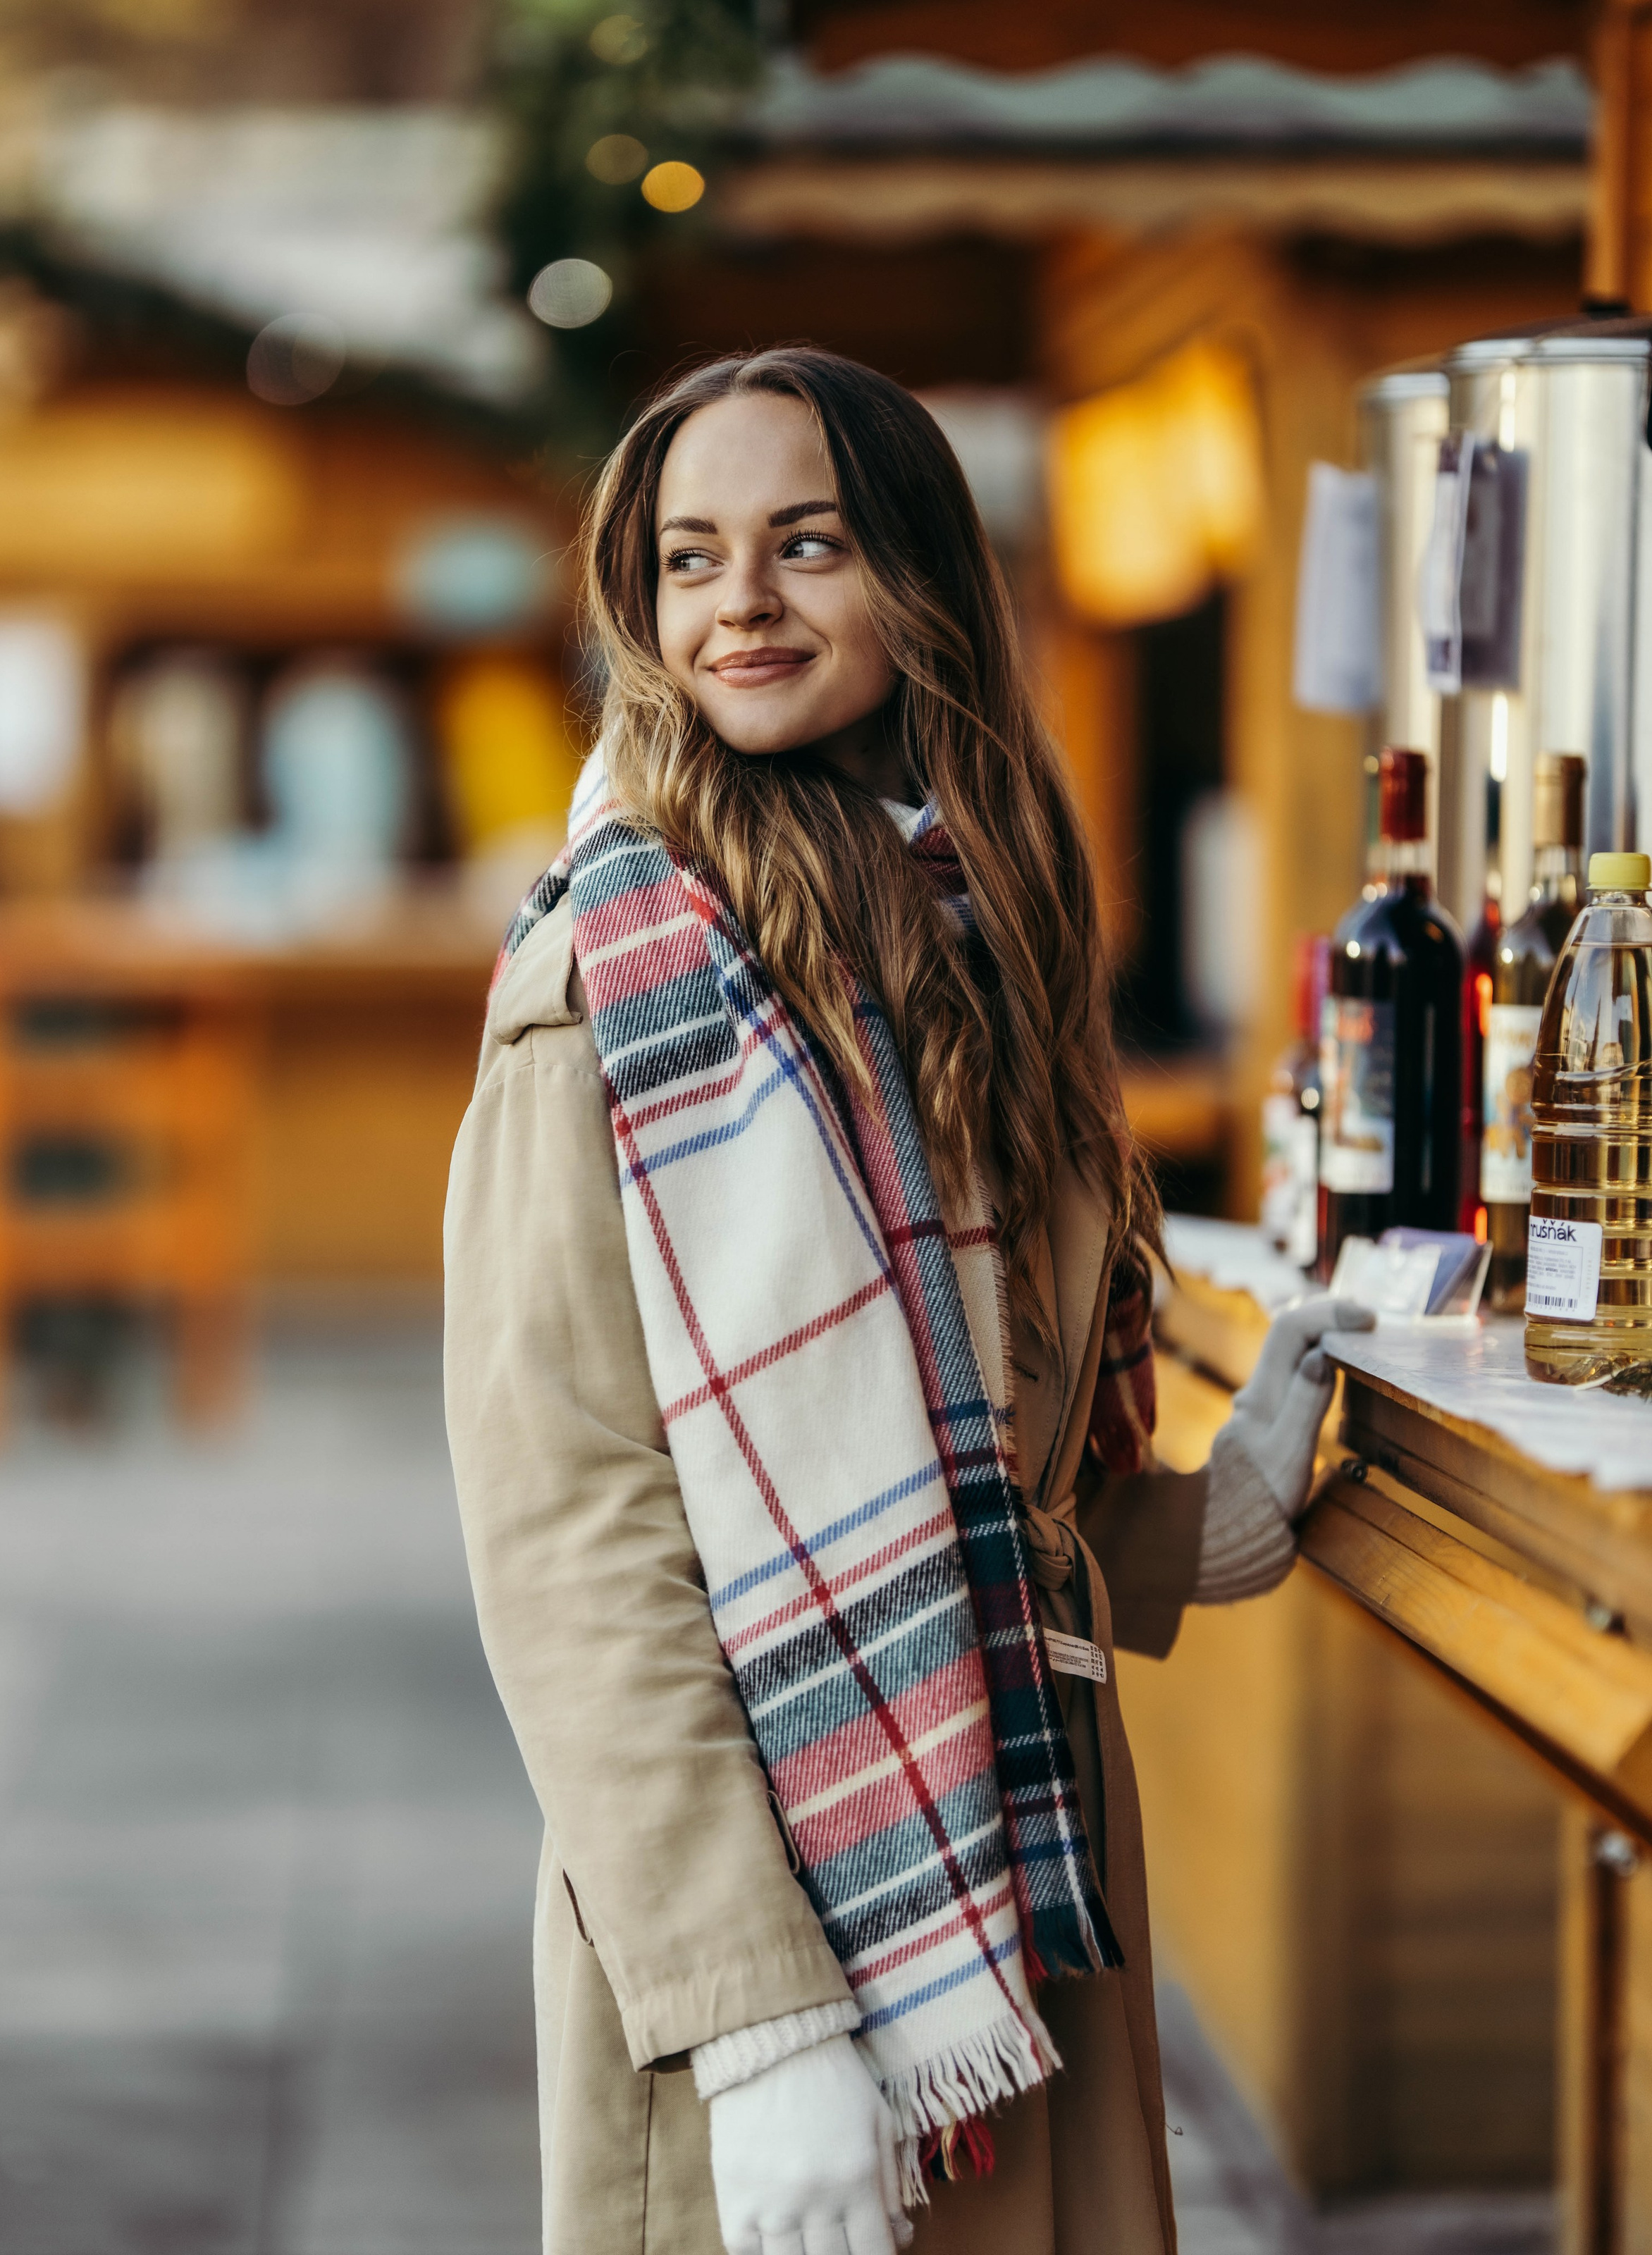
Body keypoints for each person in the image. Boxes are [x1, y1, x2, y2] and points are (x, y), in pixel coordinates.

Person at [443, 346, 1370, 2255]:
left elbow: (980, 1492)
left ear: (924, 582)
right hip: (772, 1911)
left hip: (1020, 1868)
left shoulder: (986, 935)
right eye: (692, 560)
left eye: (809, 544)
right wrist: (755, 2016)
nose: (743, 606)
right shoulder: (608, 990)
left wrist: (1212, 1516)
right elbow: (577, 1539)